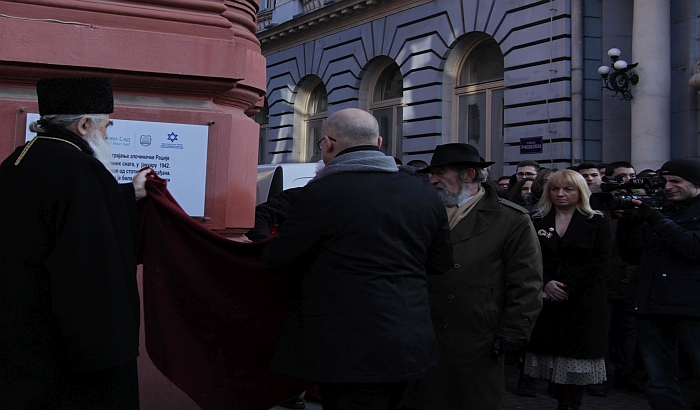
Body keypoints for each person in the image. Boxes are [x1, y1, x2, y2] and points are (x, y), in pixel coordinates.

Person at [261, 108, 453, 410]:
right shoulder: (423, 191)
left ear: (328, 143)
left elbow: (279, 260)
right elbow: (440, 263)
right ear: (378, 142)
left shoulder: (321, 193)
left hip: (344, 346)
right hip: (408, 340)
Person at [0, 77, 150, 409]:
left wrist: (129, 193)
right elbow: (90, 265)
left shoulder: (18, 160)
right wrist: (110, 353)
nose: (107, 136)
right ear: (84, 125)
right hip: (63, 351)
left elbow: (47, 216)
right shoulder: (81, 170)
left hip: (19, 333)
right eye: (106, 127)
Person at [400, 143, 543, 410]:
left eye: (440, 173)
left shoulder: (511, 219)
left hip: (477, 334)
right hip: (424, 330)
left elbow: (526, 281)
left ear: (468, 175)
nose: (432, 180)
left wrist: (515, 329)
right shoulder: (422, 212)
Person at [616, 158, 700, 410]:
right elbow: (632, 255)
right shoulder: (659, 210)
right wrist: (629, 221)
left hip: (692, 310)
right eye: (664, 182)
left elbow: (693, 249)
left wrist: (657, 219)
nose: (668, 187)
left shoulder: (666, 215)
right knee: (659, 380)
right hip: (652, 307)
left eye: (676, 181)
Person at [524, 170, 611, 410]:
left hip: (584, 300)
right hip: (548, 300)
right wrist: (546, 282)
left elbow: (601, 260)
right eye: (555, 189)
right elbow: (529, 256)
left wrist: (567, 287)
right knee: (552, 361)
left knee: (576, 362)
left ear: (580, 191)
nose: (560, 194)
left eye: (568, 189)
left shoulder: (597, 221)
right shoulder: (536, 219)